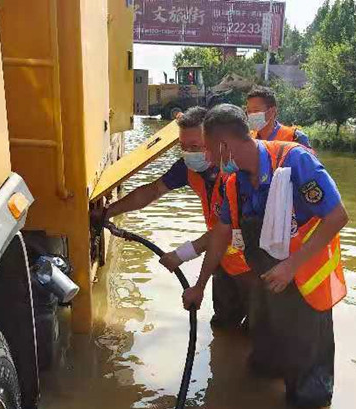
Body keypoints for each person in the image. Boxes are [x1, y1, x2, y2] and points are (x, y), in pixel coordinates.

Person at [183, 104, 349, 409]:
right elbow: (220, 235)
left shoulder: (294, 161)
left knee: (306, 396)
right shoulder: (235, 182)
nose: (206, 158)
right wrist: (199, 286)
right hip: (269, 288)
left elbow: (337, 217)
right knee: (262, 370)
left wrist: (290, 266)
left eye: (208, 149)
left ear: (224, 145)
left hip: (305, 287)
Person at [94, 106, 251, 328]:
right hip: (223, 260)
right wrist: (108, 212)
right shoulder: (188, 168)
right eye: (183, 147)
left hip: (255, 266)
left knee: (258, 333)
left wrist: (181, 255)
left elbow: (226, 229)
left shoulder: (237, 174)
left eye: (195, 146)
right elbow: (152, 191)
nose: (189, 153)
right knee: (223, 327)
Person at [245, 86, 312, 149]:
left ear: (272, 111)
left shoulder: (295, 137)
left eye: (256, 110)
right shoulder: (248, 138)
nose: (251, 114)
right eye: (249, 111)